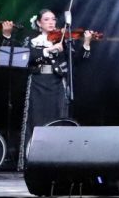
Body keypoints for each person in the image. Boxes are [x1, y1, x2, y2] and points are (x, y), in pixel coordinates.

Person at [17, 9, 94, 167]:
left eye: (53, 19)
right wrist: (48, 50)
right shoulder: (31, 39)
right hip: (38, 82)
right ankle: (31, 160)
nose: (51, 22)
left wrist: (86, 43)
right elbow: (25, 57)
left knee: (59, 119)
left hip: (57, 82)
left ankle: (58, 160)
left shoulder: (64, 39)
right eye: (46, 19)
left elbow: (77, 61)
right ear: (39, 23)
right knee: (35, 119)